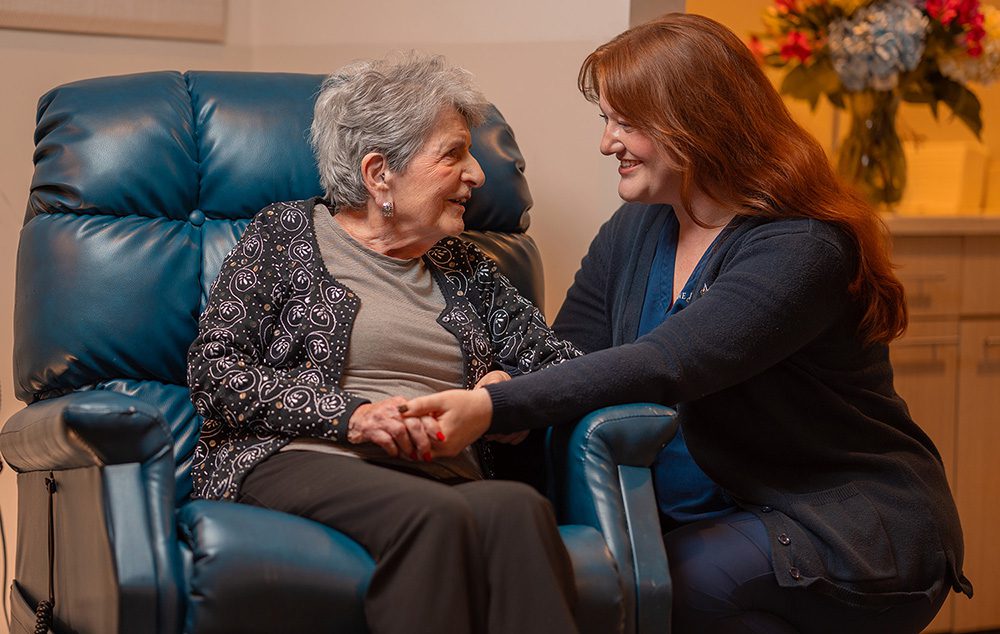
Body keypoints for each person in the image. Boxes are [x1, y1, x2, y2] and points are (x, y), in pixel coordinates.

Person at [404, 13, 973, 634]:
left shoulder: (802, 247)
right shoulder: (638, 228)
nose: (607, 143)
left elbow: (668, 363)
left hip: (840, 519)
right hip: (713, 517)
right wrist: (505, 378)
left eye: (627, 123)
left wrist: (499, 407)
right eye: (607, 120)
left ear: (694, 123)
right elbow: (568, 354)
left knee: (673, 584)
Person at [186, 52, 582, 634]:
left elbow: (564, 368)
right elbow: (215, 371)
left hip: (442, 471)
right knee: (435, 519)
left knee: (519, 508)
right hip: (304, 457)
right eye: (452, 154)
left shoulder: (465, 267)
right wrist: (356, 418)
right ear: (379, 174)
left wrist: (505, 392)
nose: (476, 173)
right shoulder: (287, 235)